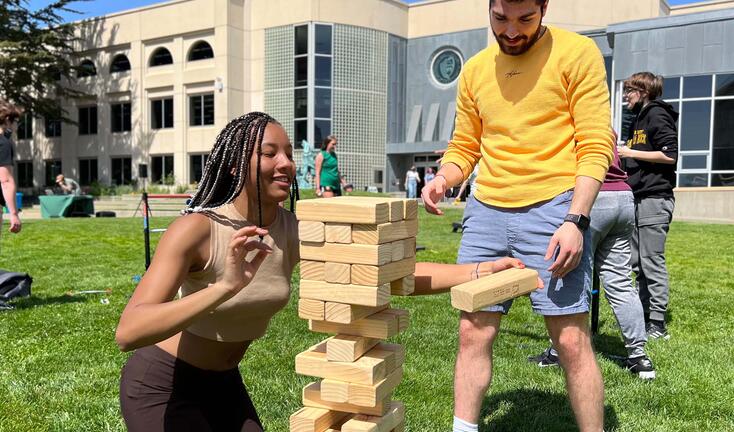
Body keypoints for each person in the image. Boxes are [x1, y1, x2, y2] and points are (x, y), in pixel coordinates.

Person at [115, 112, 541, 431]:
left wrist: (480, 271)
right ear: (232, 165)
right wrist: (225, 285)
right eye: (269, 153)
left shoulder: (293, 228)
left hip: (225, 383)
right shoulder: (196, 230)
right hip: (162, 385)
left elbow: (388, 273)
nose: (286, 163)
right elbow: (129, 331)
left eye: (288, 153)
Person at [420, 1, 614, 431]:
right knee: (474, 332)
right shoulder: (473, 70)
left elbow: (595, 143)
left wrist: (576, 220)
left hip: (555, 210)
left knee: (569, 339)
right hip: (486, 210)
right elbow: (466, 146)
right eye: (500, 18)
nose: (511, 31)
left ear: (544, 7)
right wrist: (442, 178)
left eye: (525, 19)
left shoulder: (577, 53)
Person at [530, 132, 656, 380]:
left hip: (592, 199)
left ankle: (560, 351)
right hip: (623, 198)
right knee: (620, 282)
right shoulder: (600, 119)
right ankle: (639, 358)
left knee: (573, 278)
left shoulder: (571, 119)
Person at [618, 72, 678, 341]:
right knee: (637, 263)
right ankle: (643, 316)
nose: (626, 96)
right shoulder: (637, 120)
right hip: (638, 197)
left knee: (652, 261)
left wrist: (630, 153)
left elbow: (670, 154)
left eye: (630, 91)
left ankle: (658, 324)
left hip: (655, 198)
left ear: (643, 92)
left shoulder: (656, 114)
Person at [0, 99, 23, 237]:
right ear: (8, 120)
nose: (17, 126)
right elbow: (6, 181)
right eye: (16, 122)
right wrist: (14, 214)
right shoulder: (3, 144)